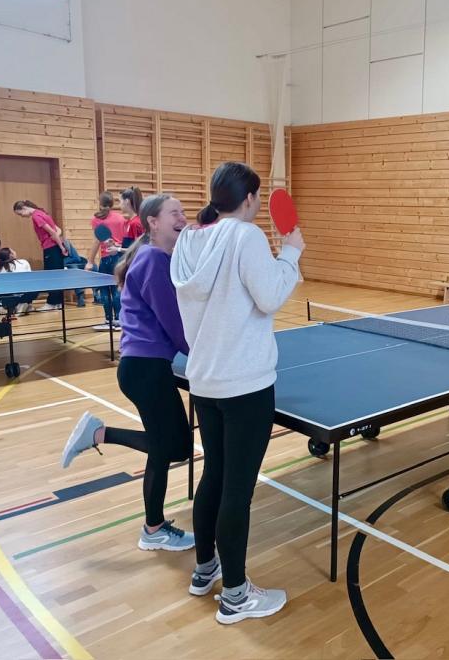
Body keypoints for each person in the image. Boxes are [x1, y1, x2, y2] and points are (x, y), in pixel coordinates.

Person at [171, 161, 304, 625]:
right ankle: (235, 596)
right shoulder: (246, 237)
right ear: (249, 199)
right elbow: (270, 297)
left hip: (204, 381)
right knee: (237, 490)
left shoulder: (189, 240)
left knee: (214, 476)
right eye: (257, 197)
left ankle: (204, 568)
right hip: (245, 385)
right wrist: (291, 253)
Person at [60, 194, 194, 552]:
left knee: (172, 447)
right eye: (175, 213)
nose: (183, 218)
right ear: (153, 222)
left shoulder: (154, 256)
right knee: (170, 447)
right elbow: (174, 323)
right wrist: (203, 355)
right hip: (146, 368)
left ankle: (101, 435)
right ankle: (153, 528)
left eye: (184, 212)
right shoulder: (153, 259)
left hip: (145, 367)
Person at [12, 201, 68, 311]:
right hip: (54, 248)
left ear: (24, 208)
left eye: (20, 213)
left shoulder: (36, 216)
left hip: (50, 248)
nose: (22, 216)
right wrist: (59, 244)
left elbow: (52, 232)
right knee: (57, 276)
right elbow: (58, 230)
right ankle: (58, 303)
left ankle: (51, 303)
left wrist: (61, 247)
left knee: (51, 277)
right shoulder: (42, 213)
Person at [86, 191, 126, 330]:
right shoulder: (121, 218)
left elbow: (97, 241)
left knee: (104, 289)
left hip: (106, 257)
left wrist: (90, 261)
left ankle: (108, 320)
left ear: (100, 203)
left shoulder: (96, 219)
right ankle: (119, 320)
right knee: (117, 288)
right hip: (120, 256)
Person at [0, 247, 37, 314]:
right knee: (34, 286)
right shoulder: (24, 262)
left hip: (8, 297)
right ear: (11, 255)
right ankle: (23, 304)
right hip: (25, 295)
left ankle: (7, 307)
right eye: (13, 251)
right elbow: (30, 279)